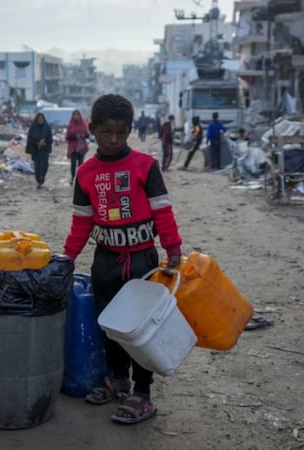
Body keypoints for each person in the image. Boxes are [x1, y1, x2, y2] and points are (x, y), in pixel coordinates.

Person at [63, 94, 182, 425]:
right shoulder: (85, 173)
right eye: (105, 133)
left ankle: (142, 394)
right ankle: (118, 380)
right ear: (92, 130)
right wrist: (67, 258)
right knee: (110, 324)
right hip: (105, 261)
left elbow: (162, 210)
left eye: (120, 132)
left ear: (129, 129)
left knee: (140, 329)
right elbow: (82, 222)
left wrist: (173, 249)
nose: (113, 140)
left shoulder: (146, 166)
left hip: (143, 260)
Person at [26, 112, 53, 189]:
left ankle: (42, 177)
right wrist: (37, 143)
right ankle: (38, 179)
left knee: (44, 165)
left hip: (45, 150)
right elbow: (30, 139)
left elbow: (50, 139)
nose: (40, 120)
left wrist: (45, 143)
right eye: (39, 118)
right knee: (37, 165)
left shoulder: (47, 127)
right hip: (36, 150)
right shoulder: (33, 127)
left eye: (42, 118)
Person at [66, 110, 90, 184]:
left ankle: (80, 178)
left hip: (81, 147)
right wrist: (75, 137)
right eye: (75, 115)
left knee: (81, 164)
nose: (76, 116)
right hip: (73, 147)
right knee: (73, 164)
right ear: (73, 116)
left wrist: (83, 135)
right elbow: (67, 137)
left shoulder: (82, 124)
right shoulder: (70, 125)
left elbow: (87, 135)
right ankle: (73, 177)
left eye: (77, 115)